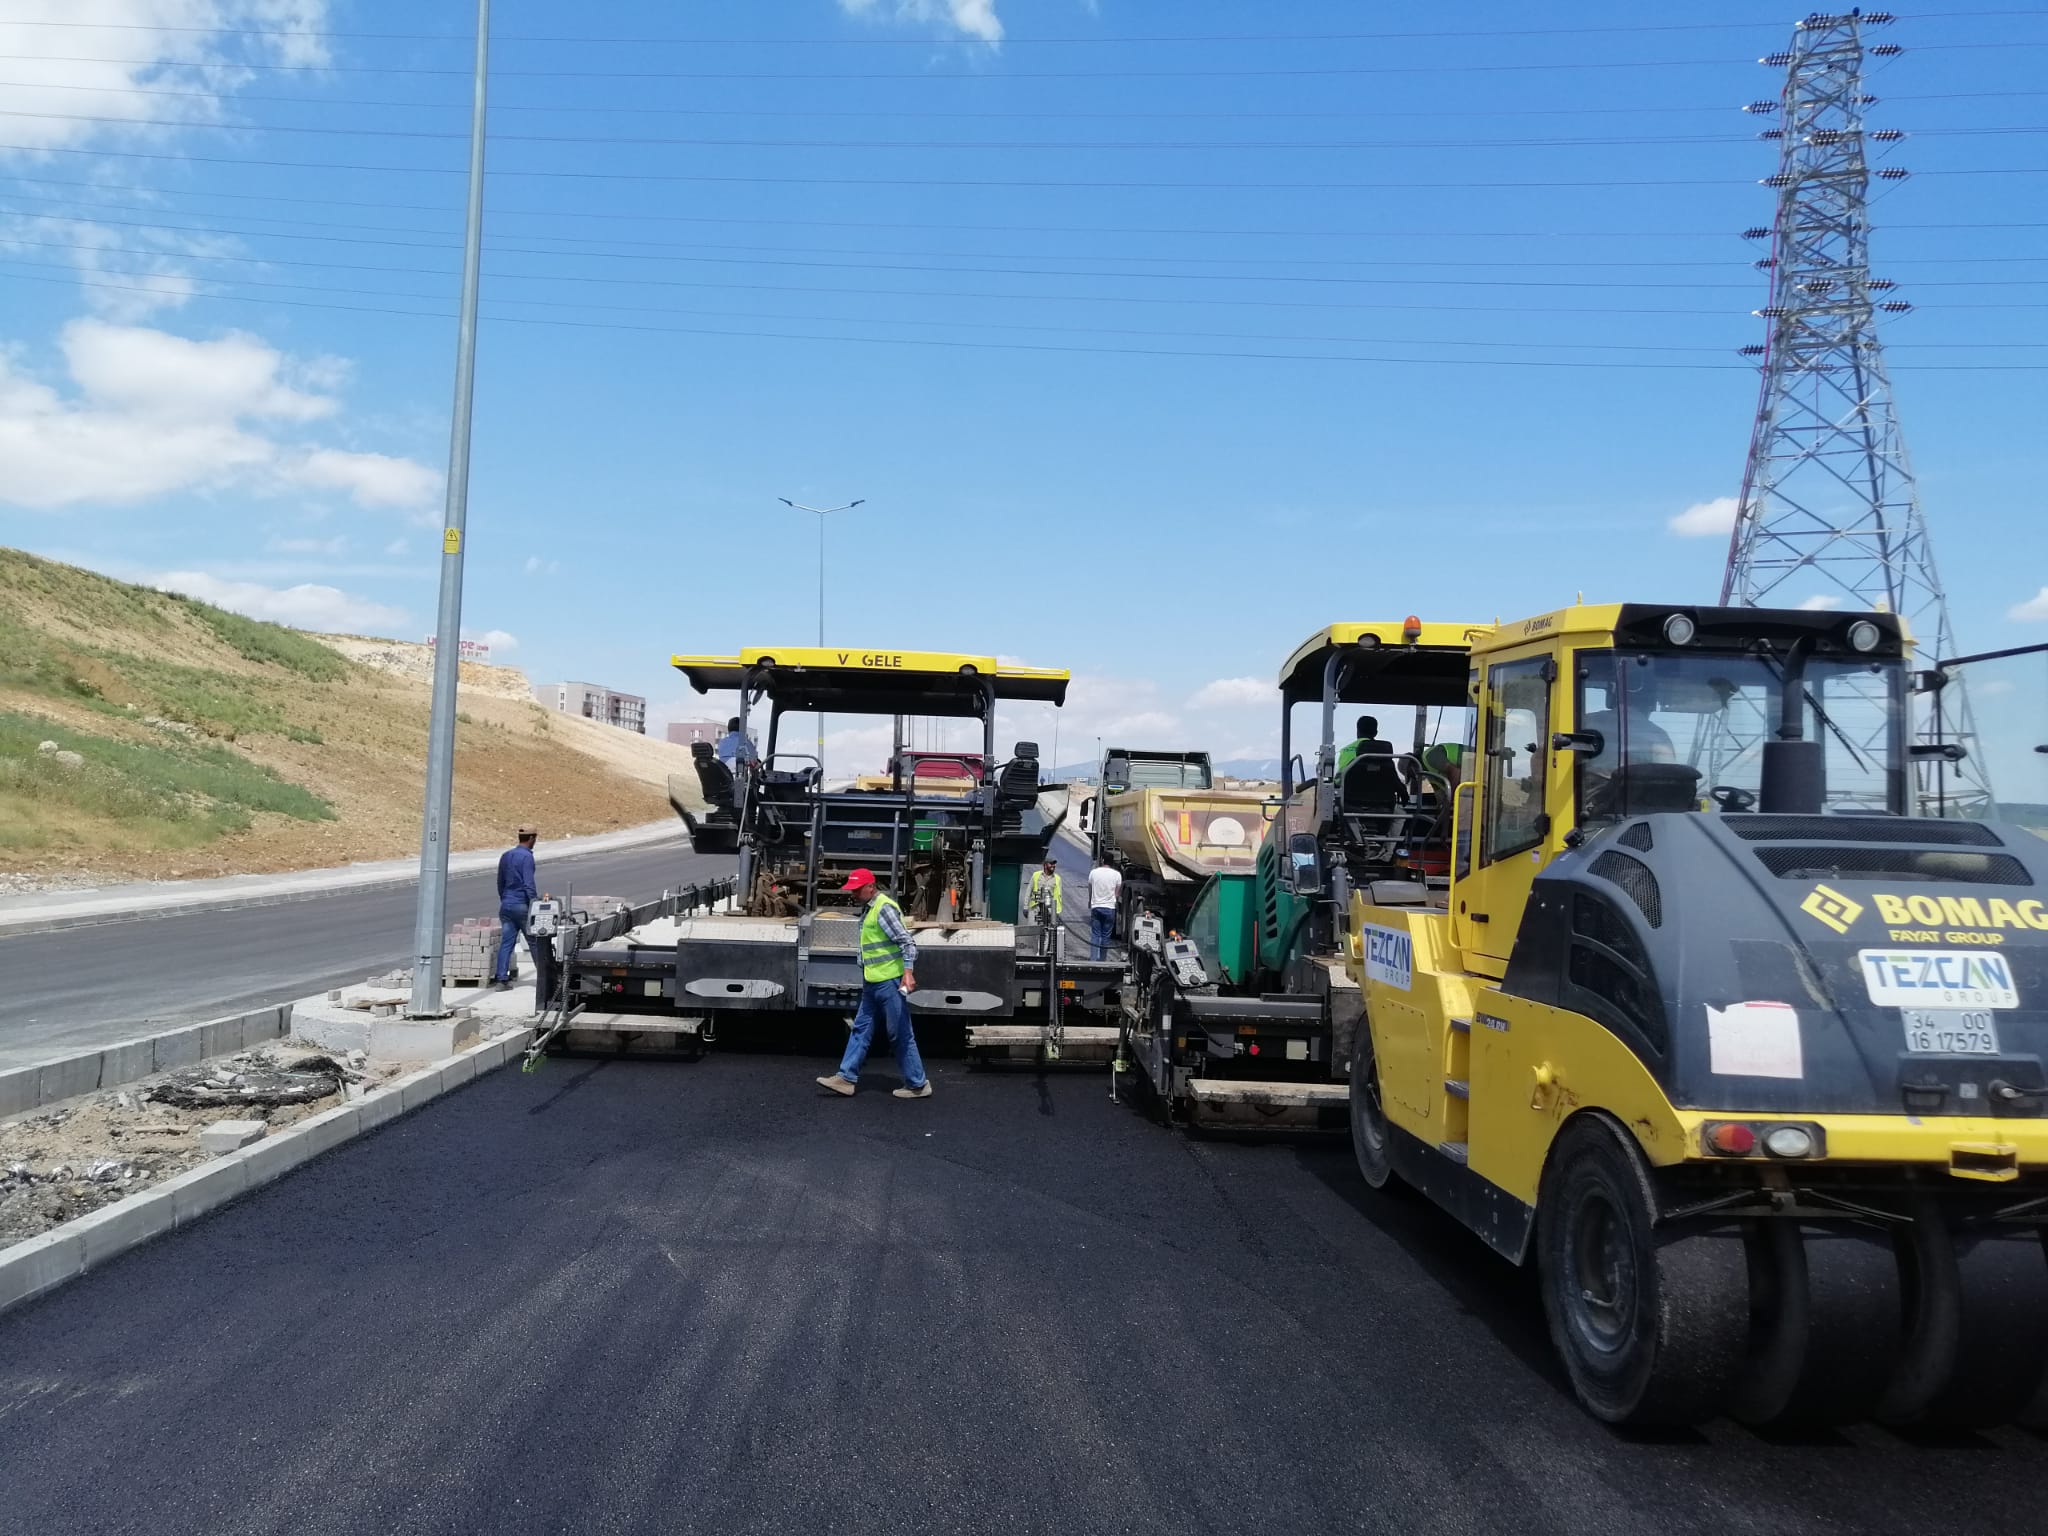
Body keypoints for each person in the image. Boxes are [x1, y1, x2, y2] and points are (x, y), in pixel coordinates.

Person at [815, 868, 931, 1099]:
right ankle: (846, 1078)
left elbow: (907, 943)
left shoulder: (884, 908)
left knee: (899, 1033)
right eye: (852, 890)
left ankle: (918, 1084)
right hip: (873, 981)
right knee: (861, 1029)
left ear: (871, 887)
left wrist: (908, 973)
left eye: (857, 890)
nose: (854, 894)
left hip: (889, 982)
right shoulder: (869, 908)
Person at [492, 825, 538, 988]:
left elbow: (500, 882)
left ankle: (501, 980)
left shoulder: (506, 856)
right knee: (534, 941)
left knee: (507, 943)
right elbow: (529, 884)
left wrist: (504, 899)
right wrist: (535, 904)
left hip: (506, 905)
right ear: (532, 838)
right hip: (521, 906)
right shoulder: (526, 857)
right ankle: (545, 977)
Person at [1087, 853, 1122, 961]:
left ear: (1102, 860)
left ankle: (1093, 960)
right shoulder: (1117, 875)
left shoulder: (1094, 873)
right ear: (1112, 862)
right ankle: (1102, 959)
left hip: (1096, 906)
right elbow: (1117, 893)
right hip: (1109, 908)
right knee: (1106, 936)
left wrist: (1090, 901)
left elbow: (1090, 888)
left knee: (1095, 934)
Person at [1028, 856, 1063, 925]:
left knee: (1051, 930)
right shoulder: (1036, 875)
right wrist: (1025, 907)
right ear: (1045, 865)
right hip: (1035, 906)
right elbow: (1028, 891)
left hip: (1050, 908)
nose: (1053, 865)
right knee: (1033, 929)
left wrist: (1057, 911)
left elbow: (1059, 895)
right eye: (1051, 863)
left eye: (1054, 864)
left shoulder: (1057, 878)